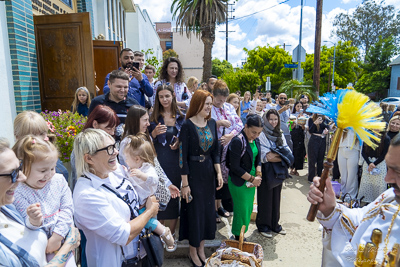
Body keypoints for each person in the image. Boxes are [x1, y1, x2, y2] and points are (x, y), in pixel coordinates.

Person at [307, 134, 400, 267]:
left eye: (399, 172)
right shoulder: (390, 198)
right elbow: (360, 220)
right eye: (389, 168)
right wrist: (331, 209)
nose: (387, 179)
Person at [73, 129, 159, 267]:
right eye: (109, 149)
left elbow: (143, 187)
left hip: (141, 255)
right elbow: (124, 235)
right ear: (89, 158)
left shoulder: (115, 170)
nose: (116, 152)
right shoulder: (86, 195)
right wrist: (150, 211)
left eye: (115, 146)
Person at [0, 137, 80, 266]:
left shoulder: (58, 181)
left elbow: (67, 208)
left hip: (61, 238)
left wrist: (58, 236)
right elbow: (28, 224)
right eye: (13, 173)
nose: (22, 177)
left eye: (53, 168)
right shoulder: (17, 193)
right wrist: (34, 221)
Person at [179, 90, 223, 267]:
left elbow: (216, 151)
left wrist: (218, 172)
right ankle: (192, 251)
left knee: (206, 213)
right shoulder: (187, 126)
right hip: (193, 174)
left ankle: (201, 249)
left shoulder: (212, 123)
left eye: (211, 104)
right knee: (195, 213)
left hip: (208, 174)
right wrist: (185, 184)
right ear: (197, 104)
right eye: (206, 104)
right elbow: (182, 157)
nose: (209, 107)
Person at [123, 134, 176, 251]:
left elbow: (154, 179)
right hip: (138, 203)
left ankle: (164, 232)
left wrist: (142, 175)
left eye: (127, 158)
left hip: (145, 203)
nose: (125, 161)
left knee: (148, 222)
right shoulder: (133, 168)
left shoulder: (147, 168)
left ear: (137, 159)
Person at [119, 105, 180, 205]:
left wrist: (168, 184)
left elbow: (155, 164)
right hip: (138, 196)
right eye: (145, 120)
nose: (148, 124)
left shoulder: (146, 139)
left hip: (151, 193)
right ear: (135, 120)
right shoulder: (127, 143)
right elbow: (127, 170)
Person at [149, 84, 184, 237]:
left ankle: (173, 233)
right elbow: (146, 142)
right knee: (161, 194)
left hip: (176, 160)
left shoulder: (181, 116)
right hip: (160, 159)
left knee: (174, 196)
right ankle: (161, 233)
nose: (164, 99)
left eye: (167, 96)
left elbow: (187, 138)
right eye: (161, 96)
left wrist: (180, 142)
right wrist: (154, 134)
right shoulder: (153, 117)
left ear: (173, 96)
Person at [211, 80, 244, 223]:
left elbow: (239, 124)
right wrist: (218, 123)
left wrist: (230, 136)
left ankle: (219, 206)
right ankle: (213, 209)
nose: (221, 103)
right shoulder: (208, 107)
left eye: (223, 100)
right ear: (213, 96)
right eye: (218, 100)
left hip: (228, 147)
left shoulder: (229, 107)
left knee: (224, 180)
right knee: (214, 178)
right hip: (213, 147)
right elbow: (202, 124)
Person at [257, 109, 292, 238]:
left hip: (278, 171)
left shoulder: (279, 133)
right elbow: (266, 156)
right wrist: (281, 156)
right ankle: (263, 225)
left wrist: (279, 155)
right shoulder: (261, 134)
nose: (273, 122)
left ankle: (274, 224)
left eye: (275, 119)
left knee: (276, 197)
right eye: (271, 119)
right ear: (266, 120)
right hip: (266, 170)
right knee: (265, 198)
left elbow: (287, 152)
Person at [228, 114, 263, 240]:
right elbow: (234, 167)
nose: (256, 135)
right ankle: (238, 236)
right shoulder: (238, 141)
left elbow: (258, 159)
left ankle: (242, 233)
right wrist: (252, 179)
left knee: (248, 209)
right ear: (246, 126)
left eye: (259, 133)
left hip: (252, 181)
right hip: (240, 181)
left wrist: (258, 175)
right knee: (241, 209)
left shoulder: (256, 140)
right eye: (253, 132)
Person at [13, 110, 69, 181]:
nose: (38, 139)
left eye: (41, 134)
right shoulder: (12, 166)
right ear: (17, 136)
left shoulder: (50, 154)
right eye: (32, 135)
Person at [358, 131, 390, 203]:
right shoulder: (368, 136)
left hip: (380, 163)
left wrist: (374, 164)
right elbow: (363, 152)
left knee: (379, 183)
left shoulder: (386, 138)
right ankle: (365, 200)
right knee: (366, 182)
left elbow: (385, 153)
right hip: (368, 162)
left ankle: (378, 201)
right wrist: (369, 163)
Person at [338, 129, 361, 199]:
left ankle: (350, 195)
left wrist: (361, 160)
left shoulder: (360, 126)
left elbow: (362, 143)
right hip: (342, 149)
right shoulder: (344, 125)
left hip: (354, 150)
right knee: (343, 174)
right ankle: (342, 192)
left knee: (352, 174)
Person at [307, 114, 329, 183]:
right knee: (312, 160)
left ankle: (319, 177)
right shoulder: (311, 119)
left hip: (322, 140)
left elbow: (327, 127)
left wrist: (326, 130)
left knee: (320, 159)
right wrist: (315, 123)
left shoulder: (326, 119)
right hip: (314, 139)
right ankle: (311, 178)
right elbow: (310, 131)